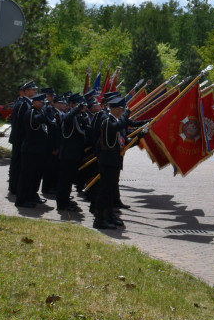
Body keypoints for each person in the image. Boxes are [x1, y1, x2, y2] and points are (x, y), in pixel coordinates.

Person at [94, 95, 149, 230]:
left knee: (111, 190)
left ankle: (109, 215)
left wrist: (139, 136)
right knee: (105, 191)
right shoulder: (108, 121)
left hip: (114, 160)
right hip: (107, 160)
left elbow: (122, 140)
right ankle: (99, 219)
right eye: (121, 109)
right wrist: (126, 113)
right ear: (115, 109)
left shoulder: (115, 119)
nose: (122, 111)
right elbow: (119, 126)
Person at [16, 92, 50, 209]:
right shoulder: (31, 112)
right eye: (41, 102)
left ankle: (31, 196)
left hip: (38, 149)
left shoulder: (38, 111)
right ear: (35, 102)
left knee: (35, 176)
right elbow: (36, 121)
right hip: (31, 148)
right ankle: (22, 199)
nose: (43, 104)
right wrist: (45, 113)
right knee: (27, 175)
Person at [56, 94, 88, 212]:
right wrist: (77, 108)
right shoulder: (69, 115)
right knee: (64, 180)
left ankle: (66, 200)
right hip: (67, 154)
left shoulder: (79, 117)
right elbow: (67, 118)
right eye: (80, 105)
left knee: (69, 180)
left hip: (75, 154)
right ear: (72, 105)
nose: (83, 108)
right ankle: (62, 204)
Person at [7, 80, 37, 198]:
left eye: (35, 89)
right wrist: (23, 137)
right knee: (17, 164)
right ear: (26, 91)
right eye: (33, 89)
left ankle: (16, 186)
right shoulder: (23, 104)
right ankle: (14, 187)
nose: (35, 91)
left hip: (23, 139)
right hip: (20, 139)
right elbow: (19, 123)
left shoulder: (28, 103)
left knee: (20, 164)